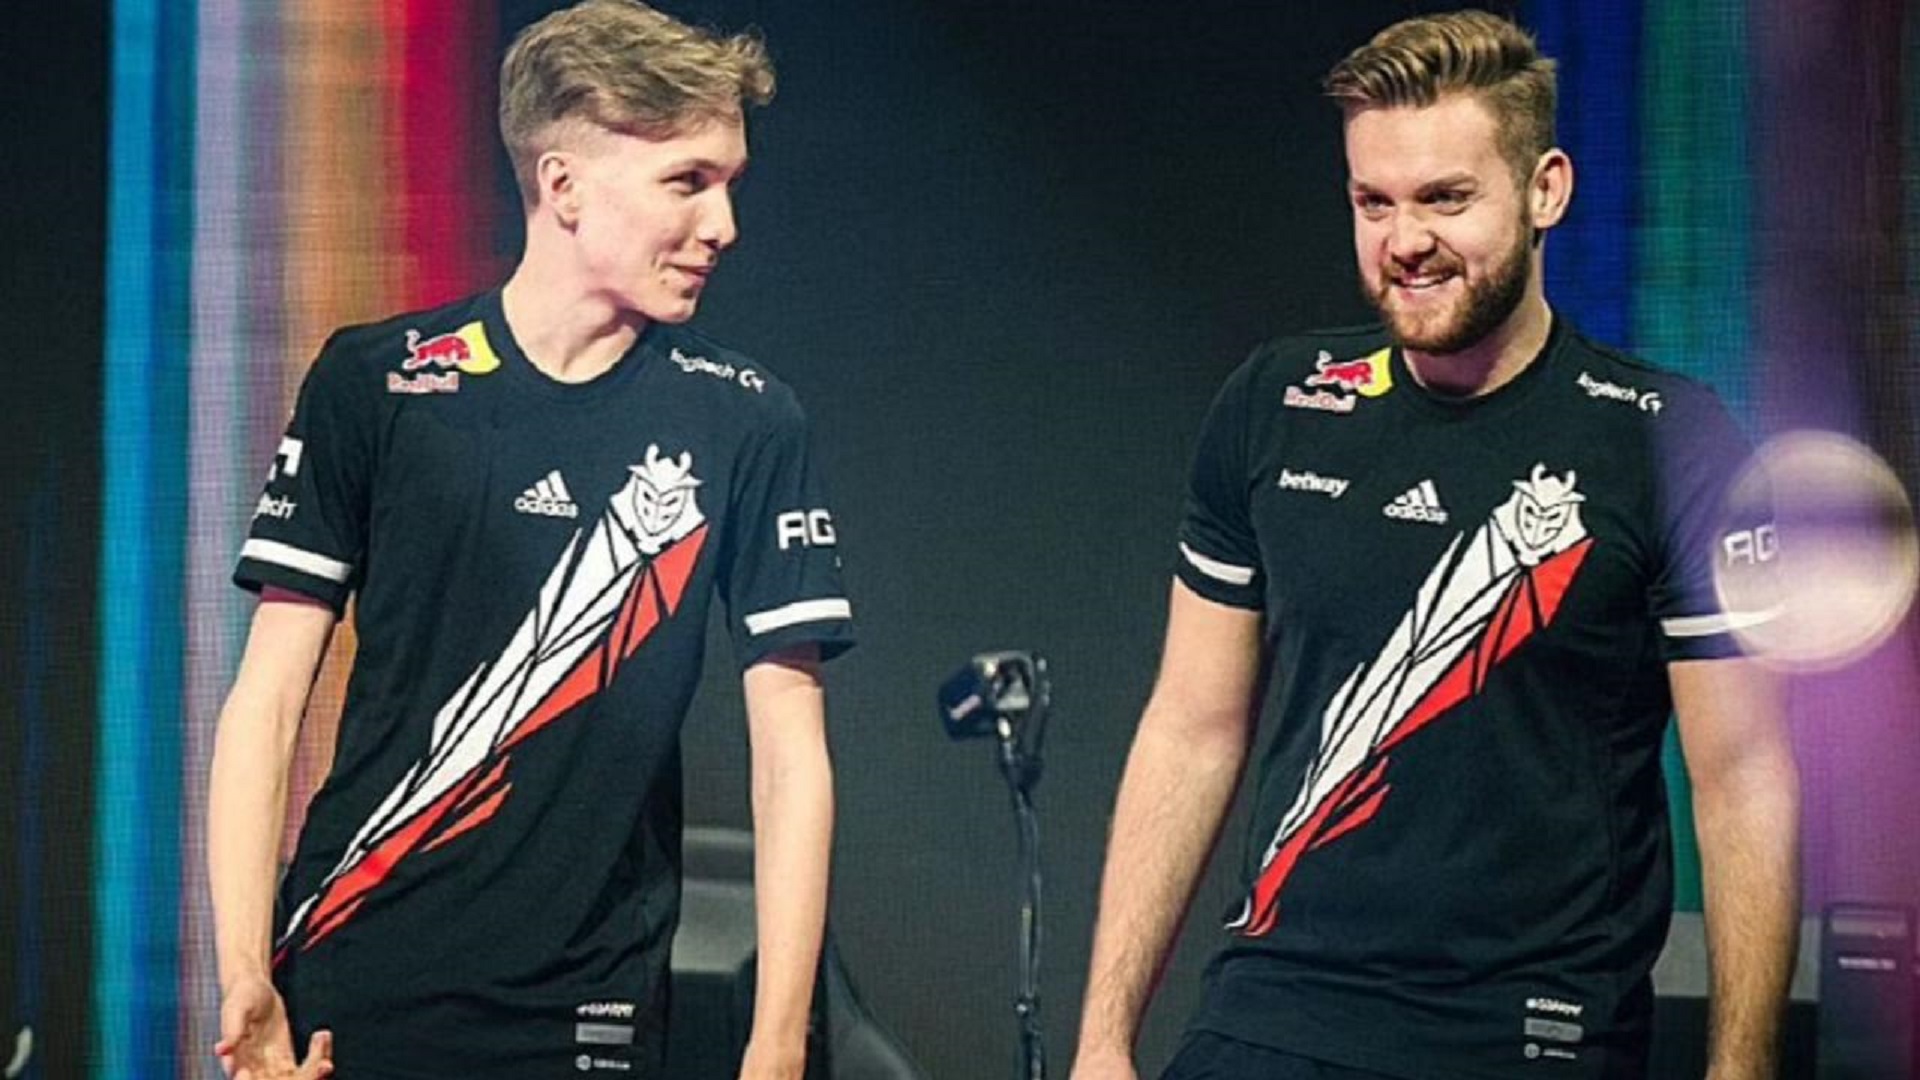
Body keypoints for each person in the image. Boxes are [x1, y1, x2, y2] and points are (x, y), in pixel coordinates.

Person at [1071, 10, 1798, 1080]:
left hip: (1529, 1033)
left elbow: (1741, 779)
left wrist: (1741, 1071)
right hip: (1269, 1017)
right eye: (1375, 202)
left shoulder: (1670, 440)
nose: (1404, 240)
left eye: (1446, 198)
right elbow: (1191, 727)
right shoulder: (1276, 402)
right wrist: (1102, 1043)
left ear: (1546, 190)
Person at [208, 3, 853, 1078]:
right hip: (350, 987)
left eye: (730, 183)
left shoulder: (745, 419)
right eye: (688, 181)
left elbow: (791, 756)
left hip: (590, 1007)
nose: (724, 225)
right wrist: (243, 971)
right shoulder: (377, 383)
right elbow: (267, 701)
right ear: (563, 186)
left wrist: (779, 1044)